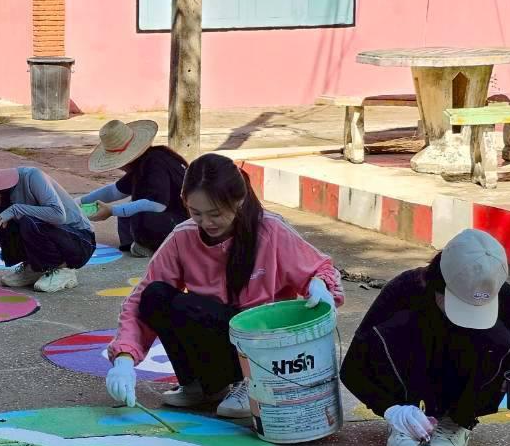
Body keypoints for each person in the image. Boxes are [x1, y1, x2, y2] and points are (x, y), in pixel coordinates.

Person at [104, 154, 342, 417]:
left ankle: (250, 383)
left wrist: (320, 286)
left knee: (210, 312)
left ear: (238, 201)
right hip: (216, 332)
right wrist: (124, 359)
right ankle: (201, 385)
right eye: (196, 213)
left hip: (261, 343)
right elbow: (141, 297)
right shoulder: (183, 236)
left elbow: (319, 269)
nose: (206, 223)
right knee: (156, 295)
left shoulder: (270, 230)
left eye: (215, 213)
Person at [342, 229, 510, 446]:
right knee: (398, 326)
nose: (467, 320)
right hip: (412, 378)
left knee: (501, 337)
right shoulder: (403, 291)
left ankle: (458, 421)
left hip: (462, 386)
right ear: (436, 283)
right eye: (458, 304)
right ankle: (407, 421)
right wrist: (391, 409)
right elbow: (352, 368)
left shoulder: (502, 296)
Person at [0, 165, 96, 293]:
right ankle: (35, 268)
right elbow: (2, 236)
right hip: (54, 236)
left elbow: (58, 215)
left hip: (80, 242)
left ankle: (63, 269)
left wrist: (15, 209)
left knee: (27, 220)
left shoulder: (32, 177)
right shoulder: (4, 200)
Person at [80, 120, 188, 256]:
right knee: (128, 213)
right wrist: (77, 202)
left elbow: (157, 205)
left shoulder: (155, 163)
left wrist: (111, 210)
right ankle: (138, 243)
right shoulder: (143, 164)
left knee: (139, 214)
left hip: (181, 221)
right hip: (169, 217)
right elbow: (113, 191)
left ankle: (152, 246)